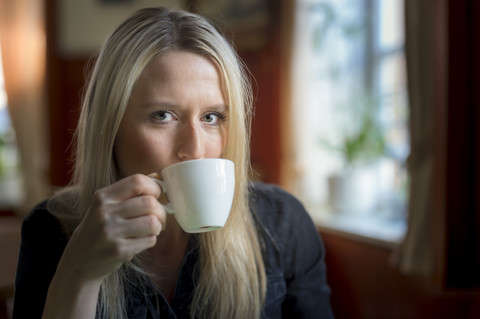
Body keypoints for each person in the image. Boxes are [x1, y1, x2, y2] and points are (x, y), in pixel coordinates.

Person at [13, 7, 334, 319]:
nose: (195, 149)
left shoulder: (282, 223)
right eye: (162, 116)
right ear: (111, 128)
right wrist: (80, 274)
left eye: (212, 117)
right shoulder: (51, 230)